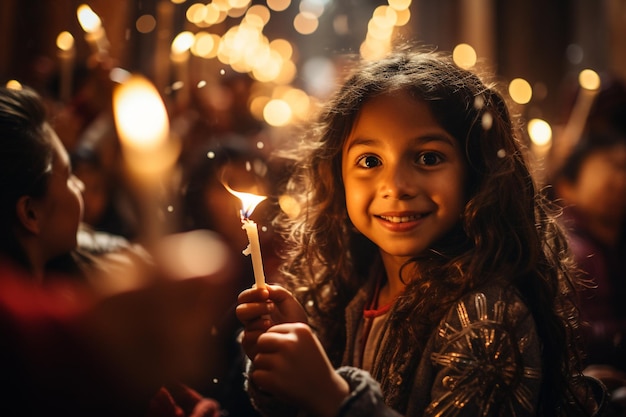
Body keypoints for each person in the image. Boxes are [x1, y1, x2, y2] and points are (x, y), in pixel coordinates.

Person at [236, 48, 603, 417]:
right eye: (369, 161)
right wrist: (291, 361)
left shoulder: (486, 315)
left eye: (428, 158)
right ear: (338, 177)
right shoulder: (351, 290)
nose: (395, 186)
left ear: (476, 171)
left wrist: (332, 395)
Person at [0, 84, 222, 416]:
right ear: (30, 213)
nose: (81, 187)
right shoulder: (33, 352)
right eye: (69, 174)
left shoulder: (86, 278)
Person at [550, 78, 626, 414]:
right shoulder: (572, 249)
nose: (622, 180)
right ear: (568, 185)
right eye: (616, 166)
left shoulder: (611, 245)